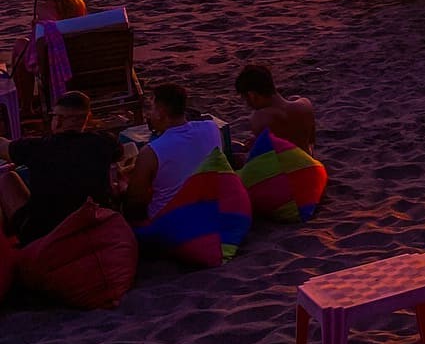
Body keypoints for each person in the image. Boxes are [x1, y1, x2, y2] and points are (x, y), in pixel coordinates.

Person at [0, 90, 122, 244]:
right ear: (87, 119)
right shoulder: (105, 143)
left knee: (8, 179)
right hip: (94, 222)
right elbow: (118, 156)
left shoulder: (35, 148)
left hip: (43, 234)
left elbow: (2, 147)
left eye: (53, 116)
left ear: (58, 120)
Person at [124, 83, 224, 224]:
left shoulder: (151, 151)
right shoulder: (212, 128)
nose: (149, 114)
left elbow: (135, 199)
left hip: (171, 220)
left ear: (161, 113)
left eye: (152, 108)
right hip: (213, 207)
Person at [234, 64, 317, 154]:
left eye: (245, 98)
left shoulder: (260, 117)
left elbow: (264, 157)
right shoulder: (305, 105)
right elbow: (310, 143)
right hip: (310, 163)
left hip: (286, 167)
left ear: (252, 95)